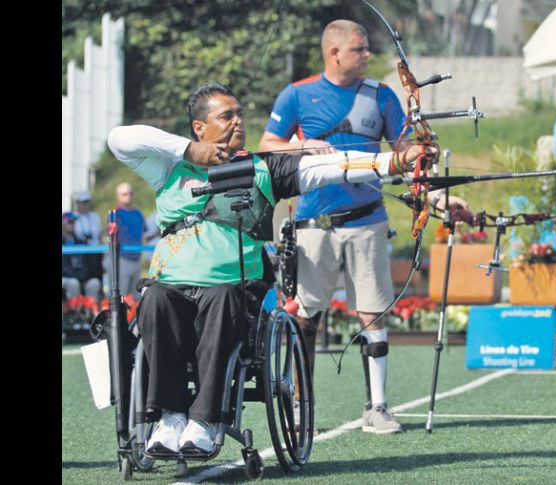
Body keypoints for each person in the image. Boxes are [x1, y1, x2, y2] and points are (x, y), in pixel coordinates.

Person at [107, 82, 442, 454]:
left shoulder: (266, 167)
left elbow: (336, 166)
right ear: (199, 127)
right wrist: (189, 150)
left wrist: (397, 161)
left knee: (223, 296)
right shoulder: (168, 167)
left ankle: (203, 421)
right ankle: (170, 417)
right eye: (226, 116)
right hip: (172, 286)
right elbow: (118, 139)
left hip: (232, 290)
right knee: (154, 297)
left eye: (240, 114)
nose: (238, 121)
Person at [258, 19, 467, 435]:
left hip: (368, 221)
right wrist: (303, 146)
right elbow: (267, 146)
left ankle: (378, 407)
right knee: (305, 318)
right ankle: (301, 406)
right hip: (313, 224)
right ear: (334, 53)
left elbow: (405, 156)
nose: (367, 54)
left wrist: (436, 192)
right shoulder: (297, 94)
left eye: (367, 47)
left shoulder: (381, 95)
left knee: (374, 315)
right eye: (359, 49)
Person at [112, 182, 147, 299]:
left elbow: (145, 233)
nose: (128, 196)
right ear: (118, 196)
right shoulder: (114, 213)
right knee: (121, 296)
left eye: (130, 193)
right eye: (124, 194)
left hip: (137, 259)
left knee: (136, 296)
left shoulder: (138, 214)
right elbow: (110, 236)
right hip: (121, 259)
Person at [62, 212, 102, 300]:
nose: (72, 223)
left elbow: (89, 263)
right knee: (73, 283)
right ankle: (74, 308)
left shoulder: (81, 241)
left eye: (74, 221)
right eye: (69, 221)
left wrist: (86, 275)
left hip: (82, 276)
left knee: (94, 283)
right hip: (67, 277)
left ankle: (90, 308)